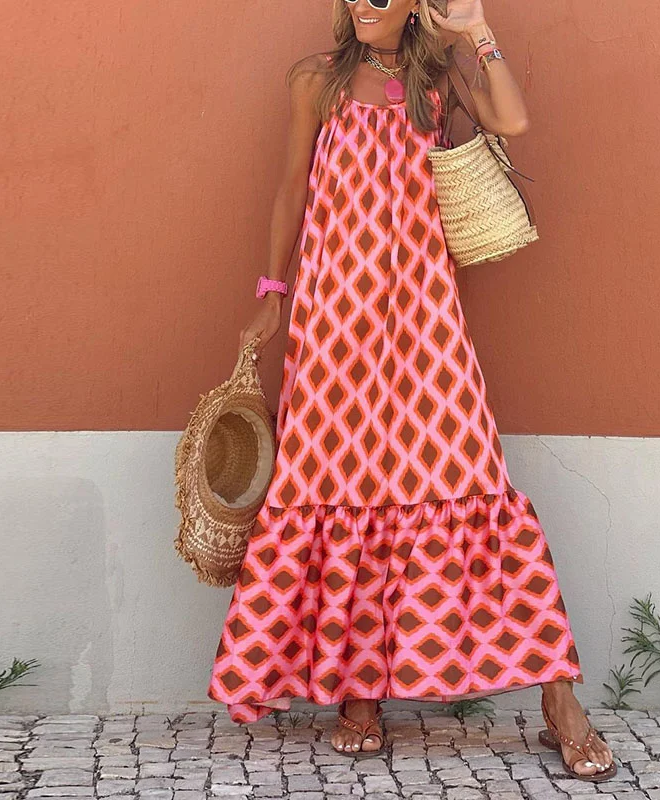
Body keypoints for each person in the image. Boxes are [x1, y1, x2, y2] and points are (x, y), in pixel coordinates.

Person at [207, 0, 616, 781]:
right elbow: (291, 189)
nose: (366, 0)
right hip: (333, 319)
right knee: (341, 483)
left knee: (472, 474)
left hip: (425, 315)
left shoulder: (441, 78)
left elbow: (513, 121)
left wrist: (476, 29)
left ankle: (560, 698)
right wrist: (272, 292)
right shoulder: (317, 81)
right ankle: (360, 692)